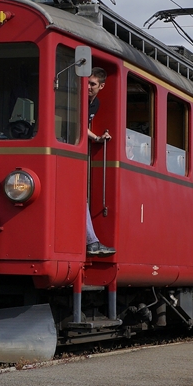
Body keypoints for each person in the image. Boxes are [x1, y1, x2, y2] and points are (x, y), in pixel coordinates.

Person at [85, 67, 114, 257]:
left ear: (101, 86)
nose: (87, 86)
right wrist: (96, 138)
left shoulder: (95, 104)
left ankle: (92, 241)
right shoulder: (78, 98)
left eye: (92, 84)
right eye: (86, 82)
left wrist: (99, 137)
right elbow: (78, 124)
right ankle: (91, 242)